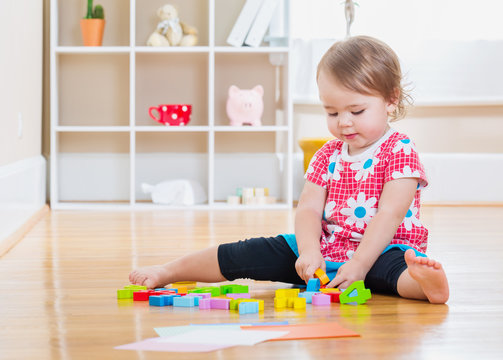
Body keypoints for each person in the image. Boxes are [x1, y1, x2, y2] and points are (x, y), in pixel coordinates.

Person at [129, 36, 449, 304]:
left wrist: (360, 264)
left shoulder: (399, 149)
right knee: (247, 252)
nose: (344, 122)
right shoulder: (326, 154)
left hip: (382, 250)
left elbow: (389, 215)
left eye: (356, 110)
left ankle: (426, 284)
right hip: (326, 248)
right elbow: (308, 208)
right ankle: (169, 271)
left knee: (393, 274)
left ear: (390, 100)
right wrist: (308, 253)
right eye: (332, 111)